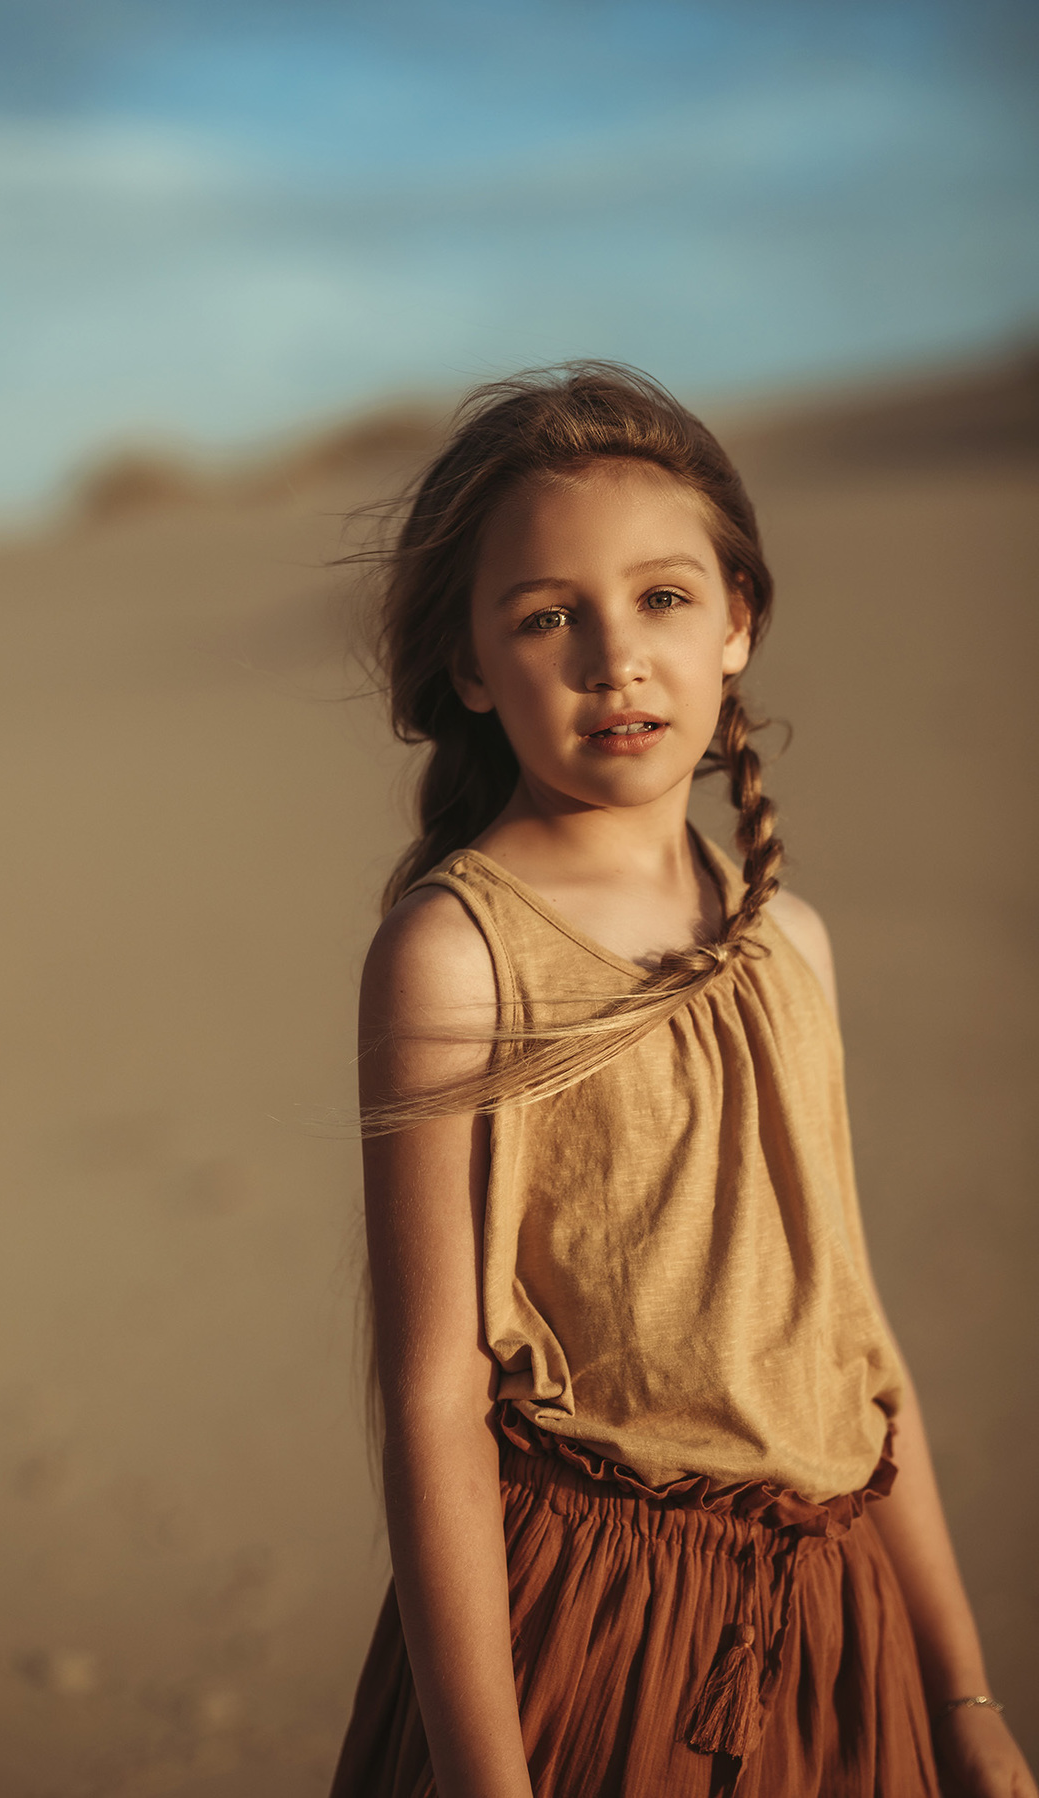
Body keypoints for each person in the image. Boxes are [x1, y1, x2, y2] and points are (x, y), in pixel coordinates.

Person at [329, 365, 1034, 1798]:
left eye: (662, 598)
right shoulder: (456, 955)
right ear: (473, 666)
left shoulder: (791, 939)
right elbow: (433, 1400)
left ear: (737, 622)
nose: (617, 659)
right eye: (548, 615)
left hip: (838, 1626)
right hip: (592, 1634)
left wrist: (961, 1691)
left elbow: (855, 1342)